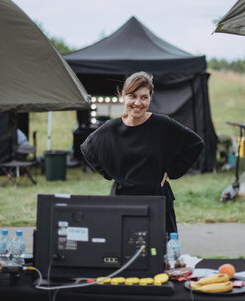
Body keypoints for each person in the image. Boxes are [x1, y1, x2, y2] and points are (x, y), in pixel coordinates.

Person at [81, 71, 204, 234]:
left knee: (161, 255)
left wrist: (172, 171)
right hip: (122, 204)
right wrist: (110, 173)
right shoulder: (110, 129)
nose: (138, 103)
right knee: (124, 254)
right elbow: (87, 149)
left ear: (150, 98)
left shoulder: (162, 124)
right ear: (123, 96)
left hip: (157, 202)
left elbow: (195, 144)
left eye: (144, 97)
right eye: (132, 96)